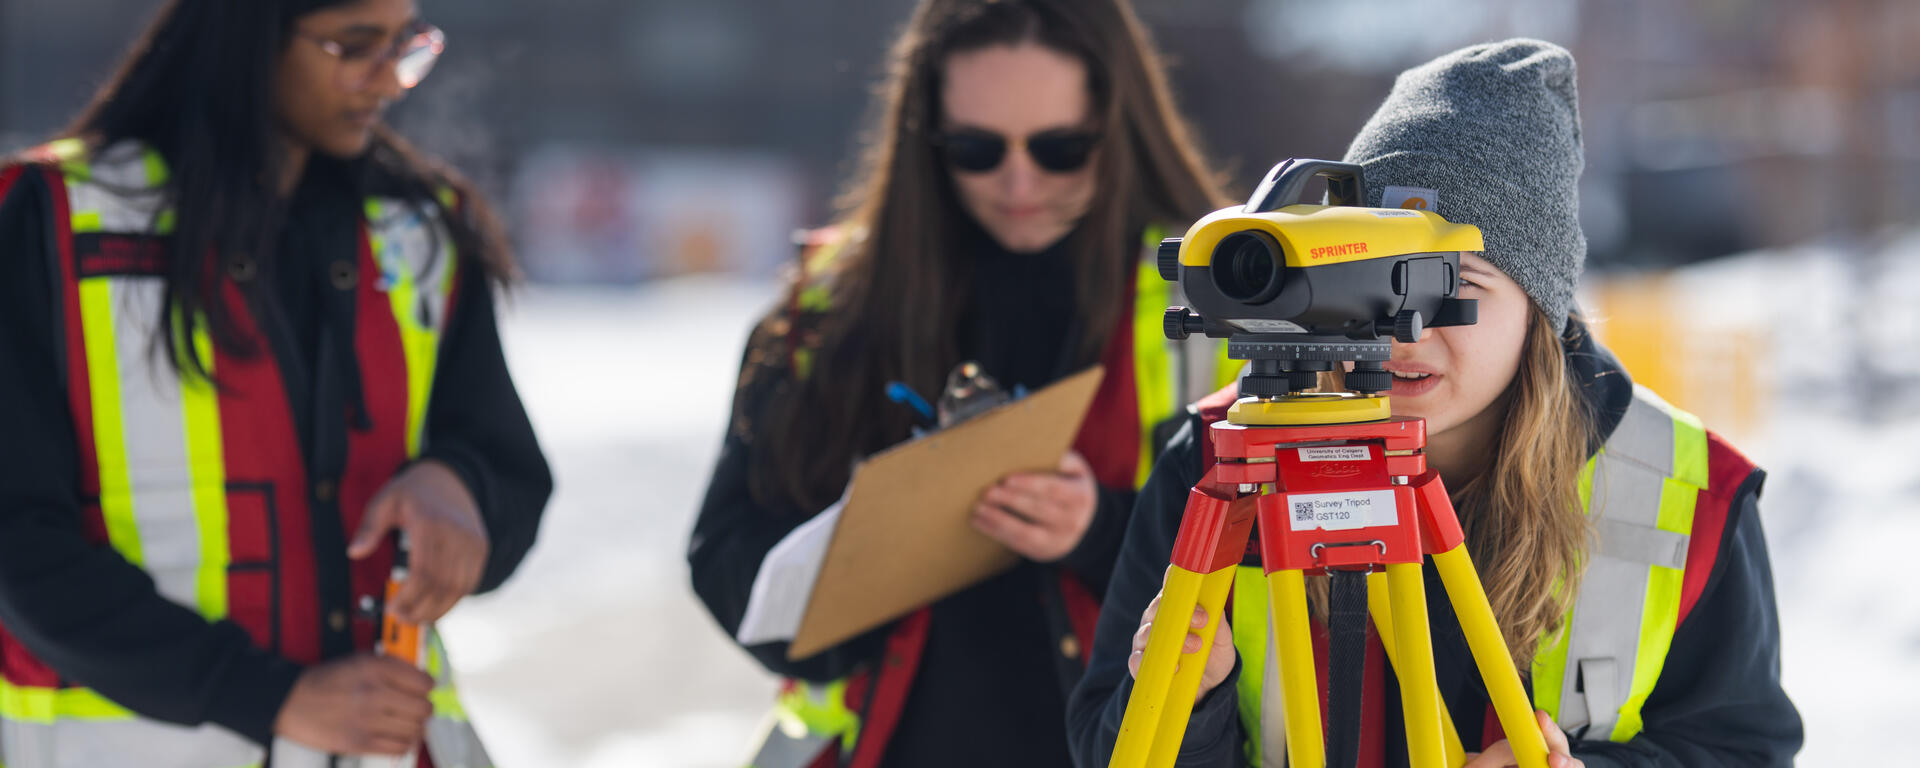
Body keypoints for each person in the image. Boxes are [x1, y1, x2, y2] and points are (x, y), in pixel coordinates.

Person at [1068, 40, 1802, 767]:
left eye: (1449, 286)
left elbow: (1742, 751)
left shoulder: (1689, 494)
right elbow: (1106, 748)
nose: (1404, 332)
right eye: (1371, 279)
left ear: (1539, 307)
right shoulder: (1222, 463)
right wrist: (1192, 706)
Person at [687, 0, 1240, 765]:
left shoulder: (1218, 300)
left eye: (1060, 148)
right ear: (926, 138)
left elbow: (1294, 577)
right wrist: (870, 561)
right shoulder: (828, 305)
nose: (1018, 180)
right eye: (976, 149)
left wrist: (1103, 532)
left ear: (1119, 128)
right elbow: (723, 557)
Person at [0, 0, 551, 765]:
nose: (388, 79)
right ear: (247, 33)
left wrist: (462, 485)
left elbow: (509, 472)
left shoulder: (423, 228)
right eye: (354, 45)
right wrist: (269, 696)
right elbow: (16, 538)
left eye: (404, 45)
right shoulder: (48, 219)